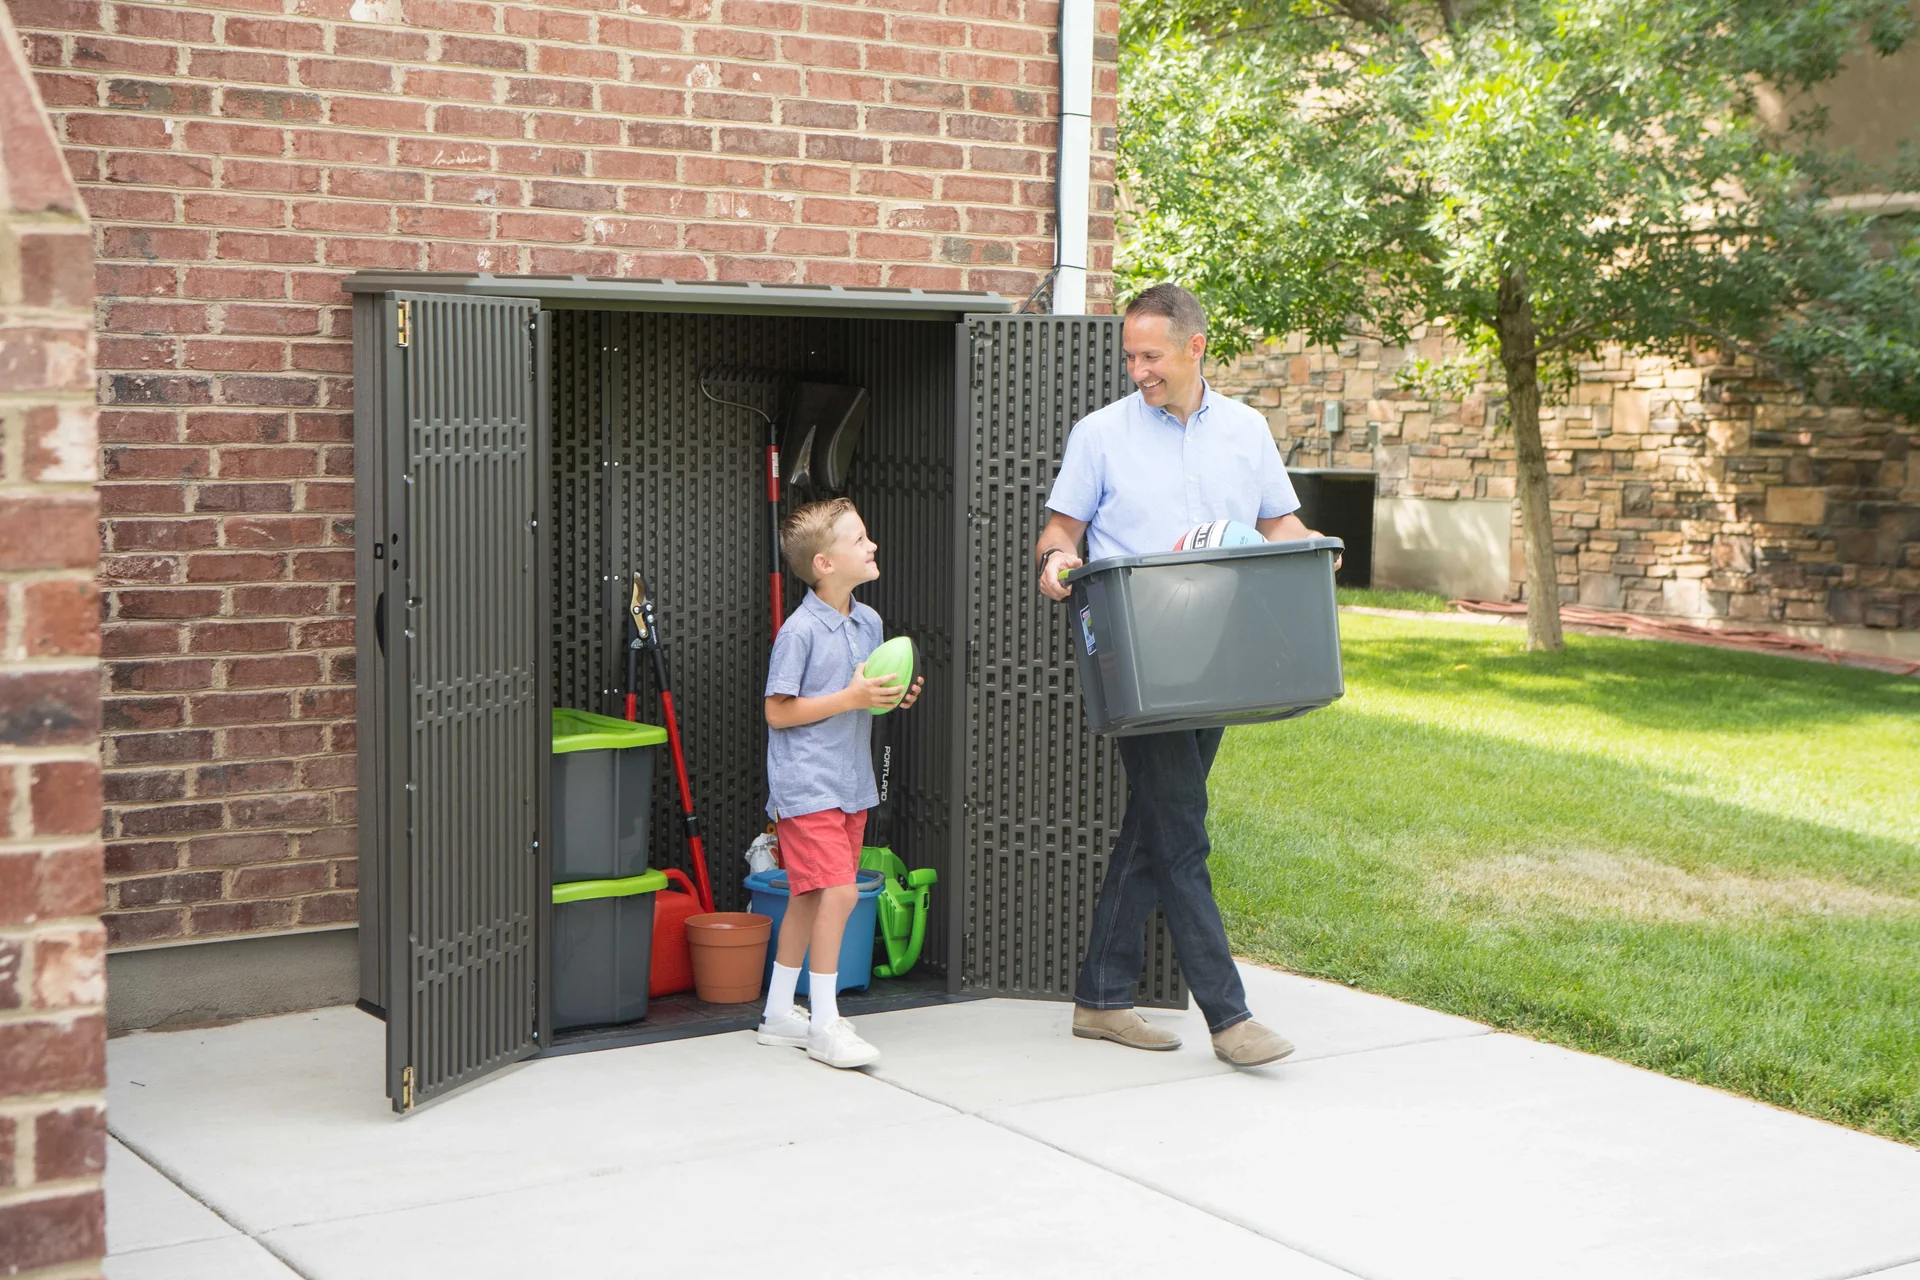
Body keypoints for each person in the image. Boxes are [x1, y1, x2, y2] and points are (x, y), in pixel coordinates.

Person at [1035, 282, 1324, 1068]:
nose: (1138, 370)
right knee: (1183, 829)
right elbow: (1061, 530)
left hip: (1220, 651)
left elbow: (1277, 520)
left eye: (1151, 355)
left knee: (1157, 823)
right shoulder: (1100, 434)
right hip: (1140, 653)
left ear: (1196, 348)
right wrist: (1059, 561)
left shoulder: (1246, 430)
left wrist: (1313, 551)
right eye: (1130, 356)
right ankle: (1229, 1017)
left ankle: (1100, 996)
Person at [757, 497, 924, 1069]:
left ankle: (780, 1013)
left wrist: (888, 696)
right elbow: (778, 712)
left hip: (850, 782)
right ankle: (825, 1023)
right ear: (824, 563)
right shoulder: (799, 631)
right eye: (858, 540)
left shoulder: (869, 621)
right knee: (841, 891)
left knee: (809, 896)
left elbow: (864, 705)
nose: (871, 545)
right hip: (808, 786)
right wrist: (852, 698)